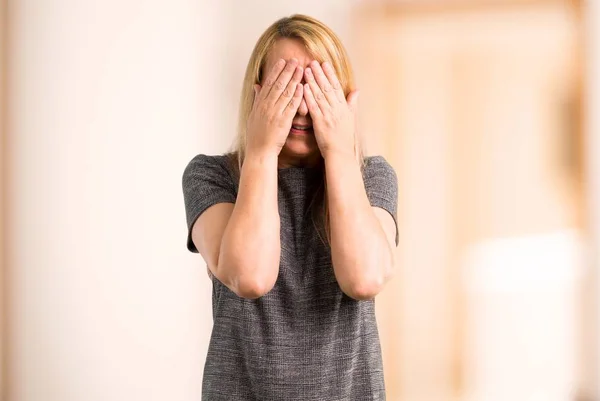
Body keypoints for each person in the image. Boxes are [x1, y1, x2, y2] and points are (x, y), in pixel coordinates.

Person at [182, 14, 398, 401]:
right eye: (287, 88)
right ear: (258, 94)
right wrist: (262, 151)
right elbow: (249, 277)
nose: (302, 107)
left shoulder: (372, 178)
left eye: (317, 88)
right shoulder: (210, 176)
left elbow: (364, 278)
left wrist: (339, 151)